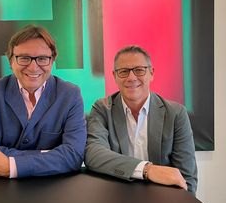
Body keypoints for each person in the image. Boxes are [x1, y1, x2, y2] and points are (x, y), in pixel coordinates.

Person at [0, 25, 86, 178]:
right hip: (0, 185)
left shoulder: (70, 95)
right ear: (11, 61)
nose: (33, 67)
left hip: (54, 185)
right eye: (24, 58)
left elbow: (74, 155)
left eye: (42, 59)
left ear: (52, 61)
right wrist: (49, 155)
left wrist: (11, 166)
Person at [85, 45, 198, 193]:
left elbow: (186, 179)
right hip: (116, 197)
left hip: (162, 199)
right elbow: (94, 154)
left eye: (139, 70)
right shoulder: (102, 109)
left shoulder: (176, 114)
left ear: (151, 73)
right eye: (124, 71)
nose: (131, 77)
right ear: (114, 76)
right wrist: (146, 169)